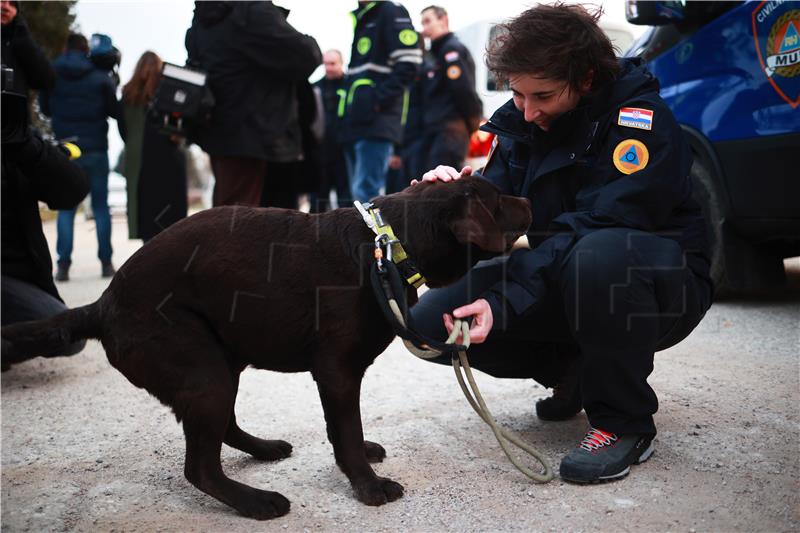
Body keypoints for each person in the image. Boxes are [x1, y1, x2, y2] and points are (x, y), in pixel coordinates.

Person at [410, 3, 713, 484]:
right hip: (559, 272)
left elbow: (597, 225)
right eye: (517, 94)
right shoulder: (521, 124)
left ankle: (622, 422)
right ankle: (577, 373)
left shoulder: (639, 123)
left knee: (597, 257)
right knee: (431, 322)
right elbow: (500, 231)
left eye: (543, 96)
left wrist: (504, 299)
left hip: (647, 281)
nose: (528, 111)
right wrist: (445, 203)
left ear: (587, 78)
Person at [185, 1, 321, 207]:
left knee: (229, 213)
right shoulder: (250, 11)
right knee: (244, 222)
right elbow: (305, 56)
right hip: (260, 134)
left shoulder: (205, 18)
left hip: (221, 133)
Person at [1, 67, 90, 370]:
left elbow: (73, 190)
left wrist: (26, 144)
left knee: (69, 334)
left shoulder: (13, 137)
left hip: (9, 278)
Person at [40, 33, 122, 281]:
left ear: (66, 49)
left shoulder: (52, 74)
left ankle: (63, 265)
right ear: (87, 51)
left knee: (66, 208)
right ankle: (106, 263)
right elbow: (115, 112)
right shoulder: (100, 77)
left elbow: (45, 109)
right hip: (96, 148)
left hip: (66, 150)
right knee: (100, 207)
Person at [339, 0, 421, 202]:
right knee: (359, 195)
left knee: (367, 192)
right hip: (359, 121)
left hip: (377, 122)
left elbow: (409, 63)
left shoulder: (390, 11)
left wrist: (376, 102)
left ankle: (375, 234)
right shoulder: (364, 16)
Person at [120, 51, 187, 242]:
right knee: (171, 220)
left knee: (146, 218)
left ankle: (150, 261)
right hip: (170, 159)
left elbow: (123, 128)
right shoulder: (169, 93)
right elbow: (180, 126)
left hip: (140, 162)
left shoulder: (128, 95)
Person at [419, 5, 482, 172]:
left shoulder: (451, 50)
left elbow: (463, 89)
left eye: (428, 22)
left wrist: (473, 122)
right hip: (438, 131)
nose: (424, 29)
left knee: (443, 186)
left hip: (451, 130)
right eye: (422, 23)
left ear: (443, 20)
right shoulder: (435, 55)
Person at [312, 49, 350, 211]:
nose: (329, 68)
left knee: (345, 198)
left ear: (341, 63)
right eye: (326, 64)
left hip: (345, 150)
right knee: (318, 198)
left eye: (333, 63)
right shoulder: (316, 88)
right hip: (321, 151)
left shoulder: (350, 86)